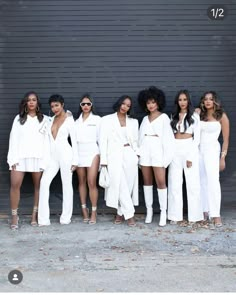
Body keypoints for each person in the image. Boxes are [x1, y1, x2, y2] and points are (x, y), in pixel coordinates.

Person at [7, 91, 49, 229]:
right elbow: (13, 139)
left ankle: (34, 215)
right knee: (15, 186)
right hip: (20, 157)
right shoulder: (18, 119)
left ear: (37, 102)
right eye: (29, 100)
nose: (31, 102)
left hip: (38, 158)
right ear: (25, 103)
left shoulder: (45, 119)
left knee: (38, 187)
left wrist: (68, 114)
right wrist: (12, 158)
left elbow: (59, 121)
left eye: (34, 100)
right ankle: (14, 216)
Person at [38, 94, 78, 226]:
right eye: (52, 106)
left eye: (57, 105)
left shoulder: (69, 119)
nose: (55, 108)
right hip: (52, 156)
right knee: (44, 182)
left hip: (66, 154)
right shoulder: (51, 119)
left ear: (62, 105)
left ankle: (65, 217)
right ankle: (43, 219)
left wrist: (75, 161)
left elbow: (74, 141)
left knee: (67, 185)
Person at [99, 95, 139, 227]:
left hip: (130, 154)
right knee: (119, 183)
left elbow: (137, 141)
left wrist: (137, 155)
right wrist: (103, 160)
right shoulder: (106, 120)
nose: (125, 107)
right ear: (119, 103)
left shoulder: (133, 121)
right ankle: (130, 215)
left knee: (127, 186)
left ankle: (120, 213)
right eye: (123, 104)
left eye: (128, 105)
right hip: (113, 155)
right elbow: (102, 141)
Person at [138, 86, 175, 226]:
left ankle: (163, 212)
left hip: (158, 152)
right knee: (147, 182)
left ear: (158, 102)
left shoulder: (164, 117)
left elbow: (169, 139)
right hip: (145, 152)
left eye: (153, 102)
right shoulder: (144, 119)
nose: (151, 105)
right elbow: (140, 138)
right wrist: (139, 155)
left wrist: (166, 160)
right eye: (148, 103)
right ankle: (149, 211)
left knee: (161, 182)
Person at [167, 90, 203, 225]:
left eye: (185, 99)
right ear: (177, 101)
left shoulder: (194, 115)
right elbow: (170, 136)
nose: (182, 102)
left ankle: (195, 216)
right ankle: (175, 216)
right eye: (180, 100)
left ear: (189, 101)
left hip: (189, 147)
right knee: (174, 183)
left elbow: (197, 138)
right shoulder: (173, 115)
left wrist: (191, 156)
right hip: (175, 148)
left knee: (192, 184)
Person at [197, 91, 230, 227]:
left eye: (211, 99)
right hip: (199, 151)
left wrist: (222, 158)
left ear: (215, 101)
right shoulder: (201, 115)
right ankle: (204, 211)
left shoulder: (221, 116)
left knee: (213, 182)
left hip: (212, 150)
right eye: (206, 99)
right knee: (201, 182)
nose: (208, 101)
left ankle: (216, 214)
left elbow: (226, 140)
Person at [75, 94, 101, 224]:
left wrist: (103, 158)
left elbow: (101, 139)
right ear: (80, 106)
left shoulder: (97, 120)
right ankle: (84, 209)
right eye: (83, 104)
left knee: (91, 182)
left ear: (92, 105)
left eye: (88, 104)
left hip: (93, 152)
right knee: (81, 181)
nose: (85, 106)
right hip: (79, 152)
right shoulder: (75, 121)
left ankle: (94, 212)